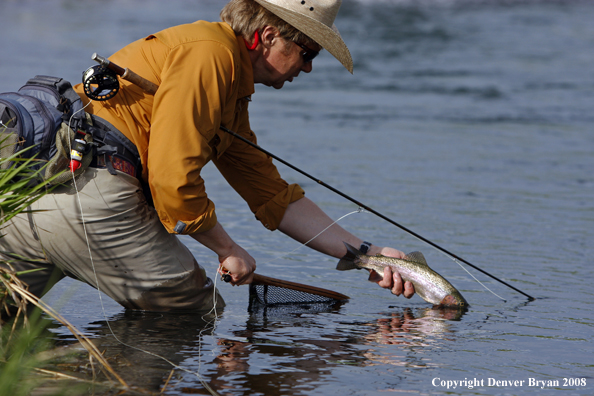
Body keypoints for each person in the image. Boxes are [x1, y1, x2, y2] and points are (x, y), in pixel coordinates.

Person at [0, 0, 414, 312]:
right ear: (268, 36)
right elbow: (170, 179)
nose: (307, 68)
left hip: (35, 195)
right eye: (309, 53)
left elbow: (270, 195)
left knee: (9, 319)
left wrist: (368, 255)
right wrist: (226, 248)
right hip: (94, 197)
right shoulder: (211, 55)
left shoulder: (230, 87)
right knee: (194, 314)